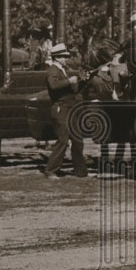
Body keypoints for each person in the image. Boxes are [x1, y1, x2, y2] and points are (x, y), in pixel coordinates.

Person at [42, 43, 89, 179]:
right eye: (63, 56)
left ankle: (80, 171)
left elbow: (72, 89)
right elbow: (53, 85)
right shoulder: (53, 70)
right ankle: (50, 170)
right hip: (60, 109)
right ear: (56, 58)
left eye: (65, 56)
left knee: (77, 139)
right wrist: (69, 81)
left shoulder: (62, 70)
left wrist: (82, 81)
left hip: (70, 108)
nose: (65, 58)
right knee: (63, 140)